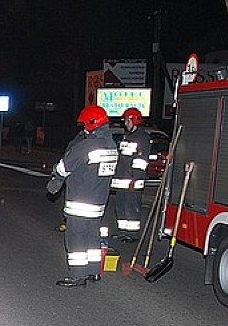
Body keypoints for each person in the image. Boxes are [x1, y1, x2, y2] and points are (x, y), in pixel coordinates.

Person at [46, 105, 118, 287]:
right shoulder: (111, 146)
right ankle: (94, 271)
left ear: (92, 124)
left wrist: (54, 178)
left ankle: (78, 275)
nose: (84, 129)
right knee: (93, 237)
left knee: (76, 238)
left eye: (85, 125)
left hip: (80, 202)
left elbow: (63, 167)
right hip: (99, 202)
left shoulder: (86, 146)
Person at [110, 107, 150, 241]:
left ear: (134, 120)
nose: (125, 123)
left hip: (132, 181)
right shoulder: (128, 137)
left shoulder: (142, 137)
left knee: (131, 207)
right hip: (122, 180)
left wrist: (135, 178)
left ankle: (132, 234)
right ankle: (123, 231)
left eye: (127, 120)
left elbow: (140, 161)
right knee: (120, 206)